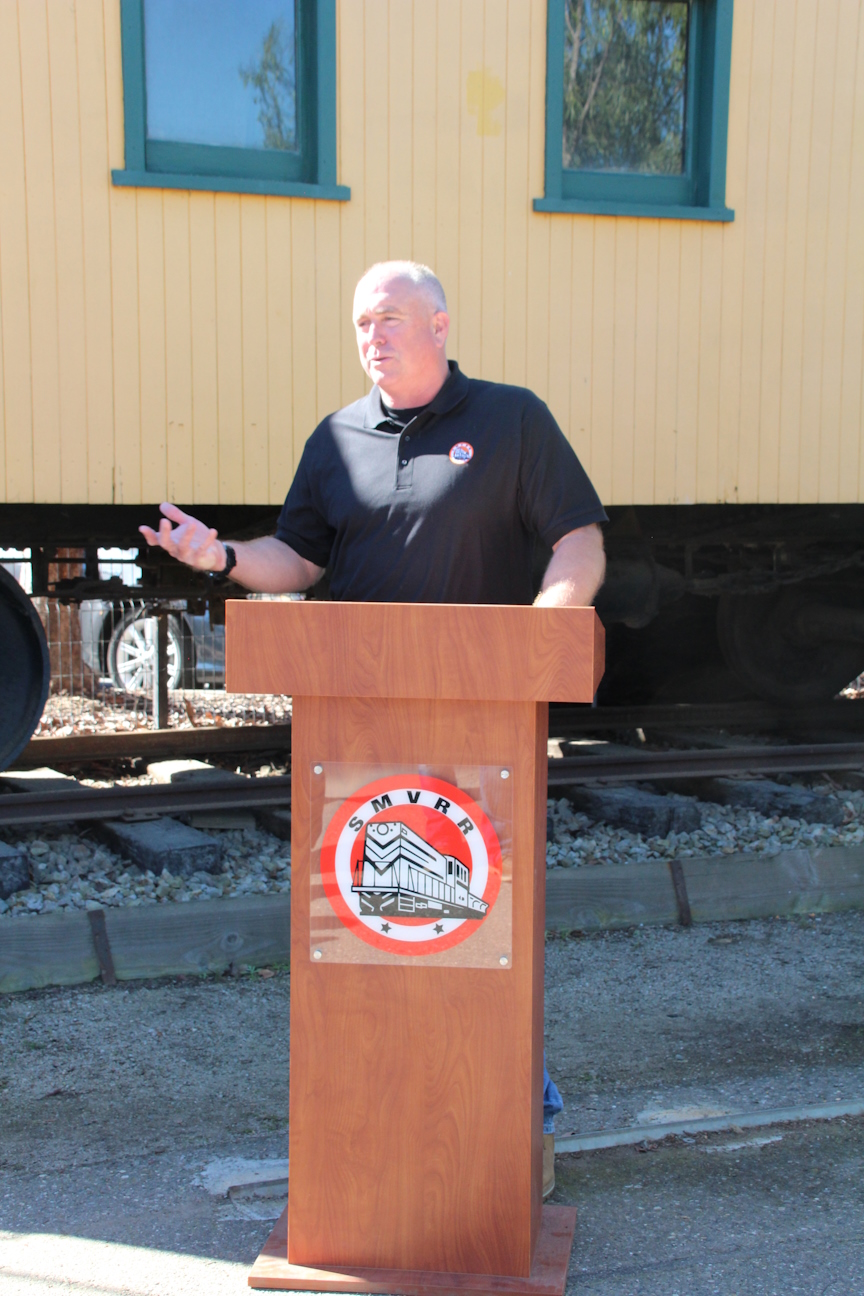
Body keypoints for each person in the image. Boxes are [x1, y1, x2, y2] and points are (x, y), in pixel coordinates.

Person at [140, 260, 607, 1195]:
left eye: (390, 318)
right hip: (355, 732)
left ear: (440, 322)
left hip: (483, 734)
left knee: (468, 925)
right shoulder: (337, 438)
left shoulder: (513, 420)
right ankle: (370, 1150)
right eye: (360, 323)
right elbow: (300, 560)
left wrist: (550, 625)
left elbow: (578, 539)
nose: (373, 336)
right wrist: (221, 555)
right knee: (377, 930)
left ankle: (514, 1118)